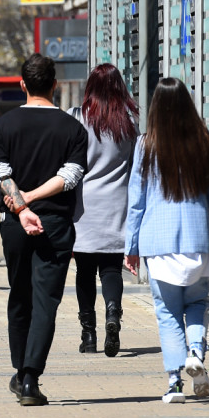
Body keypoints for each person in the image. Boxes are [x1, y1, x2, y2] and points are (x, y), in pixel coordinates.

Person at [124, 78, 209, 403]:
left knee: (167, 312)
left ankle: (174, 383)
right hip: (200, 242)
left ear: (156, 108)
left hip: (159, 245)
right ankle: (196, 356)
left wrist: (130, 247)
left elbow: (137, 202)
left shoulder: (146, 145)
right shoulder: (203, 142)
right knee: (198, 305)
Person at [0, 54, 88, 406]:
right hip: (56, 224)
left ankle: (20, 370)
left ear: (22, 85)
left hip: (15, 224)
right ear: (55, 85)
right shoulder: (73, 128)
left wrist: (21, 205)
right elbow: (70, 176)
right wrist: (31, 201)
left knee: (20, 295)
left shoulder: (4, 125)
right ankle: (30, 377)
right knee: (46, 301)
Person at [69, 64, 139, 357]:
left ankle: (89, 335)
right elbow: (136, 163)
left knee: (84, 272)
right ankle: (113, 313)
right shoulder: (129, 120)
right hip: (117, 204)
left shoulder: (77, 117)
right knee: (111, 269)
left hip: (84, 205)